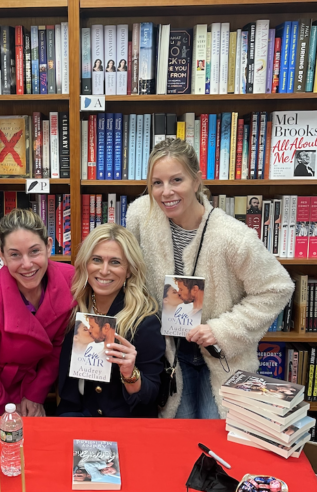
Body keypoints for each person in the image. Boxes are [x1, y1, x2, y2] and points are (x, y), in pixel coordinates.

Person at [126, 138, 294, 419]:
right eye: (157, 183)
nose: (166, 192)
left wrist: (222, 330)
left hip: (219, 356)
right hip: (168, 352)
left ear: (195, 180)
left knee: (217, 438)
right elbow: (131, 272)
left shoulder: (233, 237)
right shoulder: (141, 215)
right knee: (178, 441)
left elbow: (277, 288)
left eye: (176, 180)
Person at [0, 208, 74, 416]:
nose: (27, 265)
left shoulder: (71, 280)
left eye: (35, 251)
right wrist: (7, 410)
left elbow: (58, 347)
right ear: (2, 256)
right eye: (15, 255)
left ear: (49, 246)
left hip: (28, 385)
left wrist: (36, 394)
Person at [57, 223, 165, 418]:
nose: (104, 270)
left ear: (129, 270)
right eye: (97, 260)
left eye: (115, 262)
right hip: (75, 415)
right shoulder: (73, 309)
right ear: (85, 264)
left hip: (121, 423)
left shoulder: (145, 320)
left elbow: (151, 396)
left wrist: (130, 374)